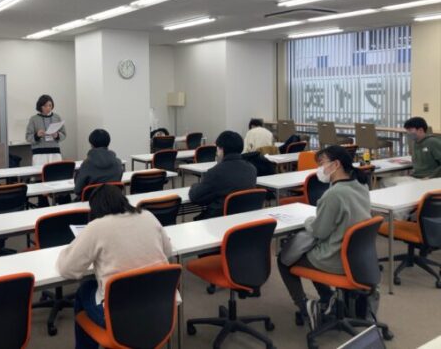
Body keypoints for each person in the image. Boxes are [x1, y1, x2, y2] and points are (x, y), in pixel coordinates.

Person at [57, 184, 173, 349]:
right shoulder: (148, 216)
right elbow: (168, 252)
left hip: (119, 320)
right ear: (123, 200)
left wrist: (70, 249)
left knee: (84, 290)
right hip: (161, 310)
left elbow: (67, 269)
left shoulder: (97, 227)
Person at [277, 145, 371, 330]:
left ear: (336, 164)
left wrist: (309, 221)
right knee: (307, 251)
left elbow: (319, 232)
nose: (319, 168)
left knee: (285, 258)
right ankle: (327, 298)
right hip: (357, 257)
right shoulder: (361, 185)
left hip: (335, 258)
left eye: (321, 163)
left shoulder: (334, 195)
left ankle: (304, 307)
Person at [189, 130, 257, 220]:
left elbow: (195, 197)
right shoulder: (252, 169)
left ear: (222, 149)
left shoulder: (215, 172)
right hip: (245, 219)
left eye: (217, 148)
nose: (216, 152)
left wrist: (194, 186)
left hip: (218, 220)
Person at [380, 117, 441, 188]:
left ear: (420, 130)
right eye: (407, 130)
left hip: (428, 179)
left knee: (401, 187)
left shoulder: (433, 142)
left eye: (410, 130)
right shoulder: (415, 142)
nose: (407, 133)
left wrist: (431, 177)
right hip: (415, 177)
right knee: (384, 181)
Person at [74, 129, 123, 198]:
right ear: (108, 143)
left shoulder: (86, 164)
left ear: (91, 144)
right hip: (113, 201)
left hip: (91, 202)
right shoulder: (118, 163)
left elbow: (77, 190)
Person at [25, 94, 67, 166]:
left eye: (50, 105)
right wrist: (37, 135)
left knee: (56, 172)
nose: (48, 108)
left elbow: (64, 134)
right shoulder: (33, 119)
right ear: (40, 106)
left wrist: (57, 135)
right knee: (40, 172)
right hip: (39, 154)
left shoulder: (57, 117)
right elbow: (28, 137)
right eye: (45, 106)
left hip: (55, 152)